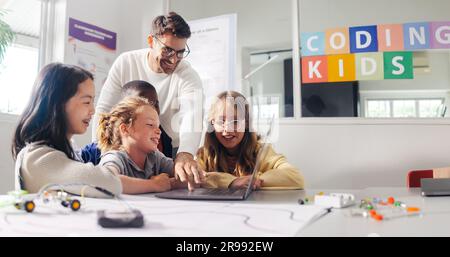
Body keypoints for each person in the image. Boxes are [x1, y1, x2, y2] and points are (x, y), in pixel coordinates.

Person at [93, 12, 204, 191]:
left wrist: (185, 154)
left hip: (174, 147)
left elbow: (193, 115)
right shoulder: (126, 62)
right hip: (128, 144)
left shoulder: (188, 75)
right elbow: (104, 109)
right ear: (151, 41)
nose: (173, 59)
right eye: (167, 50)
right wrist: (102, 152)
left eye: (180, 52)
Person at [11, 63, 122, 197]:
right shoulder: (37, 158)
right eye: (86, 102)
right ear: (58, 104)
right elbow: (111, 183)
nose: (93, 110)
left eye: (93, 102)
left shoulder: (67, 148)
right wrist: (114, 158)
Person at [196, 91, 305, 190]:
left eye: (235, 121)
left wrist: (253, 180)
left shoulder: (261, 151)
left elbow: (296, 177)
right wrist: (232, 182)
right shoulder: (204, 154)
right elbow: (190, 179)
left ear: (246, 123)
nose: (227, 129)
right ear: (212, 124)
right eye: (221, 121)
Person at [97, 96, 186, 194]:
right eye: (150, 124)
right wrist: (154, 185)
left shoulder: (154, 157)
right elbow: (105, 180)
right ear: (125, 129)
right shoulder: (115, 158)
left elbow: (181, 175)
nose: (159, 131)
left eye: (158, 126)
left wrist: (196, 176)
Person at [80, 80, 172, 164]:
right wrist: (153, 183)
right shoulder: (104, 151)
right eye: (142, 103)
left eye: (155, 104)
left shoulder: (164, 141)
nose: (152, 110)